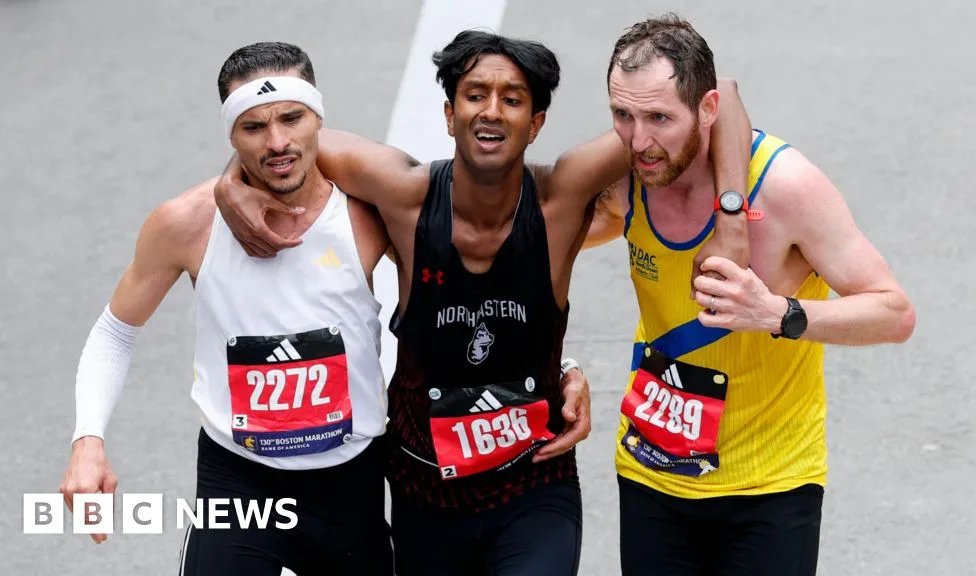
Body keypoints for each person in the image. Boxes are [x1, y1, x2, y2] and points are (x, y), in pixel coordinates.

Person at [214, 30, 755, 576]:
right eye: (475, 96)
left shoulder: (561, 197)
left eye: (513, 99)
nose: (491, 112)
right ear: (449, 114)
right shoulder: (405, 195)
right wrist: (231, 179)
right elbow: (279, 144)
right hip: (424, 492)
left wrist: (731, 220)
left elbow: (721, 94)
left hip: (533, 487)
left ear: (536, 123)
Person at [583, 14, 917, 576]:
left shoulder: (787, 187)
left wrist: (777, 313)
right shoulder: (628, 180)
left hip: (772, 485)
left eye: (660, 118)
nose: (639, 140)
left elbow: (894, 311)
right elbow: (528, 250)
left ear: (707, 109)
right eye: (623, 115)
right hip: (652, 470)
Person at [58, 42, 395, 575]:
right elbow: (114, 333)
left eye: (292, 118)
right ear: (230, 135)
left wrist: (557, 365)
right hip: (241, 482)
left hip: (349, 484)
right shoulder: (186, 223)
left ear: (319, 120)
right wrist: (87, 439)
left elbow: (478, 280)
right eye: (253, 127)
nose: (277, 142)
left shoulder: (370, 213)